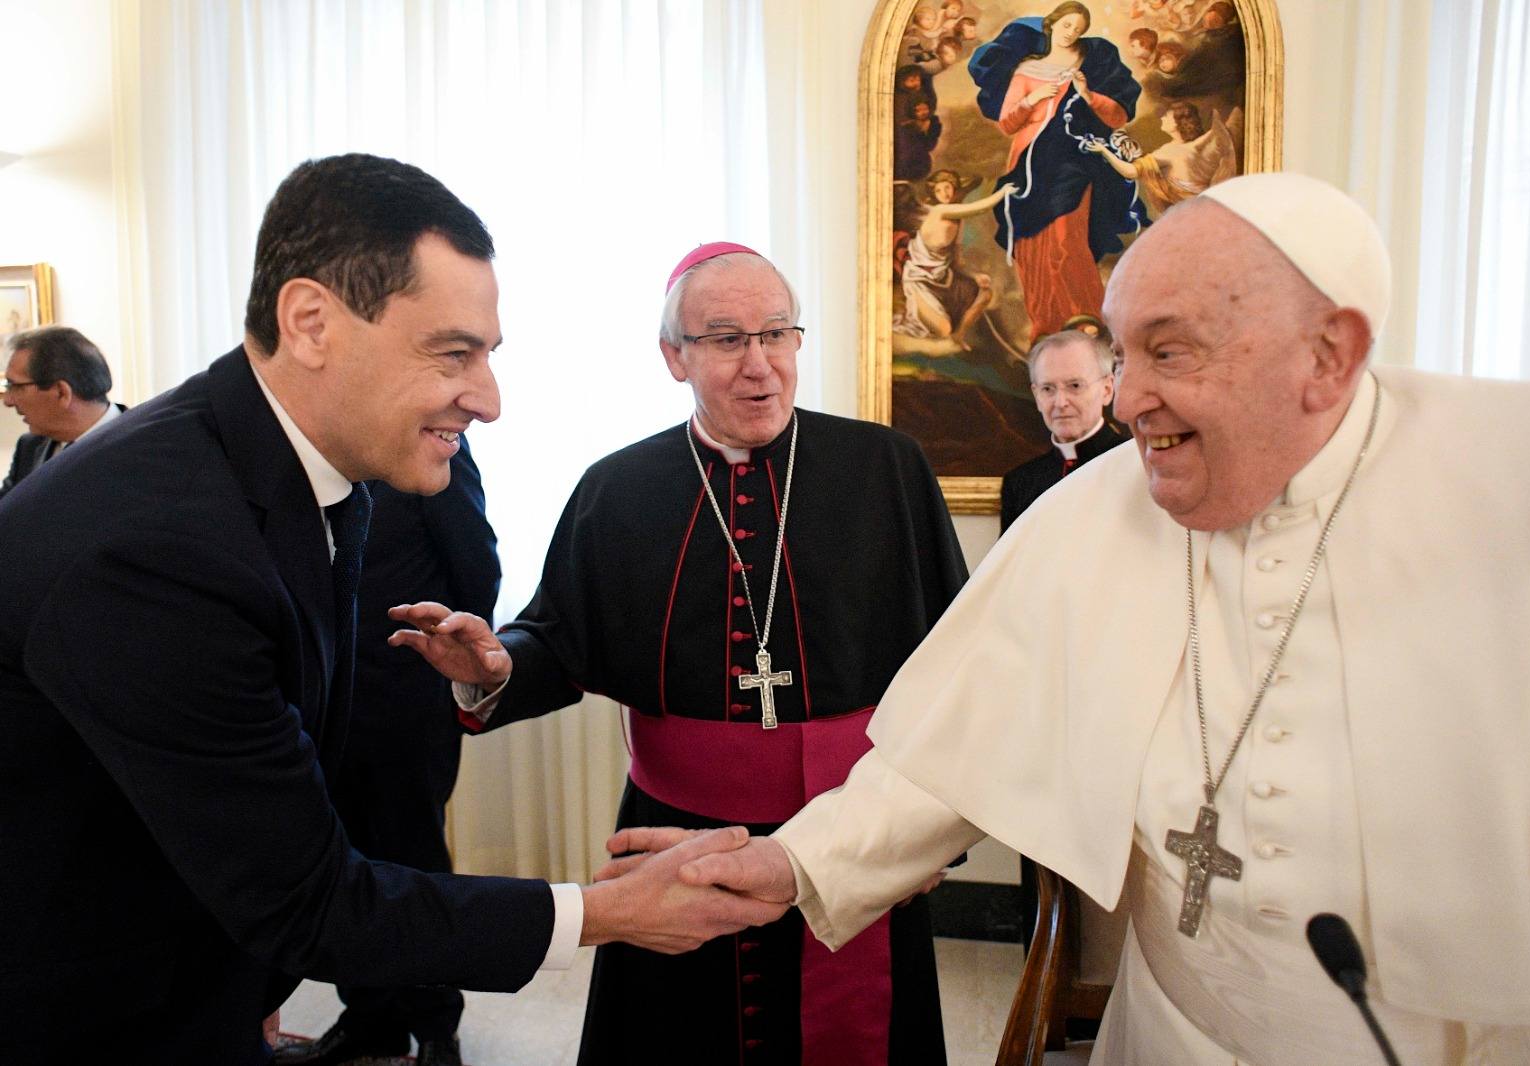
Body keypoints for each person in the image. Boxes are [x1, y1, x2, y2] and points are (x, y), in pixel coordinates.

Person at [655, 173, 1530, 1065]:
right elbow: (949, 751)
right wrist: (794, 863)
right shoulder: (1093, 511)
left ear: (1329, 353)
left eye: (1169, 350)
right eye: (1122, 352)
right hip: (1170, 1035)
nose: (1126, 397)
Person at [0, 154, 784, 1065]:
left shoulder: (313, 470)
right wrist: (606, 912)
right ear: (311, 323)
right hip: (80, 1009)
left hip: (182, 967)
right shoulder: (156, 545)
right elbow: (308, 899)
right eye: (454, 352)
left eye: (487, 354)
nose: (489, 398)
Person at [390, 242, 968, 1065]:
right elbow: (561, 638)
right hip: (679, 837)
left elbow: (957, 665)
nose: (760, 364)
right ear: (675, 356)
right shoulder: (618, 489)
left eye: (778, 333)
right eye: (727, 339)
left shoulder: (886, 469)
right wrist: (496, 669)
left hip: (855, 827)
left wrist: (931, 832)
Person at [274, 437, 500, 1066]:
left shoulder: (428, 443)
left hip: (406, 704)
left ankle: (435, 1026)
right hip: (318, 702)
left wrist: (445, 666)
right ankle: (370, 1017)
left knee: (414, 860)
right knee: (341, 864)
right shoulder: (298, 451)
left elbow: (476, 565)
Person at [970, 2, 1145, 339]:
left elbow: (1118, 116)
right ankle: (1045, 322)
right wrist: (1031, 98)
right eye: (1067, 26)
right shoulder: (1027, 69)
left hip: (1072, 162)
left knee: (1068, 236)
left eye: (1078, 30)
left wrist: (1088, 95)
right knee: (1032, 243)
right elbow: (1008, 123)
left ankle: (1084, 317)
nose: (1071, 34)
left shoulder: (1088, 66)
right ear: (1052, 25)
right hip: (1029, 162)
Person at [1000, 326, 1123, 532]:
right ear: (1036, 396)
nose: (1060, 402)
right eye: (1048, 389)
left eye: (1075, 386)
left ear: (1107, 389)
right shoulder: (1020, 483)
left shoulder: (1138, 465)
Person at [897, 170, 1017, 348]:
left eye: (948, 188)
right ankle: (924, 317)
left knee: (985, 294)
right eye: (939, 190)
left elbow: (957, 261)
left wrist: (975, 275)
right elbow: (980, 208)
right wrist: (1002, 192)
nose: (944, 193)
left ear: (954, 189)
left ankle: (959, 336)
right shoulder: (940, 211)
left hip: (943, 279)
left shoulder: (957, 221)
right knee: (943, 330)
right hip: (919, 281)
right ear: (934, 194)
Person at [0, 326, 123, 500]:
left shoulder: (145, 444)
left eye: (16, 387)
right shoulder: (30, 447)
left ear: (61, 392)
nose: (8, 401)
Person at [1090, 101, 1238, 218]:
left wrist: (1104, 151)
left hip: (1186, 216)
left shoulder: (1167, 154)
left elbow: (1130, 172)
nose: (1162, 118)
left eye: (1167, 115)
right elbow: (1223, 130)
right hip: (1203, 210)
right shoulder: (1196, 146)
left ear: (1178, 123)